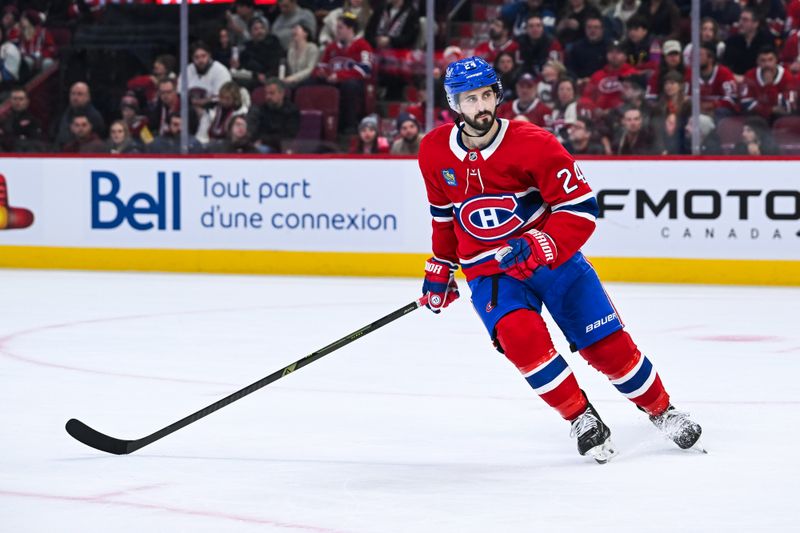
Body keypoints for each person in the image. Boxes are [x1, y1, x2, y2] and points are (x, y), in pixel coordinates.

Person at [417, 56, 703, 463]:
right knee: (520, 340)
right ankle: (581, 417)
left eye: (485, 95)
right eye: (469, 99)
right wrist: (440, 268)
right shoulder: (432, 151)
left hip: (553, 262)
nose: (480, 106)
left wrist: (541, 244)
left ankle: (662, 410)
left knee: (607, 347)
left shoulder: (534, 143)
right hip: (490, 271)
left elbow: (582, 206)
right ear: (454, 104)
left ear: (496, 95)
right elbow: (444, 216)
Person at [54, 81, 106, 148]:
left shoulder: (94, 117)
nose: (75, 97)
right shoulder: (66, 112)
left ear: (88, 97)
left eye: (80, 94)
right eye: (73, 94)